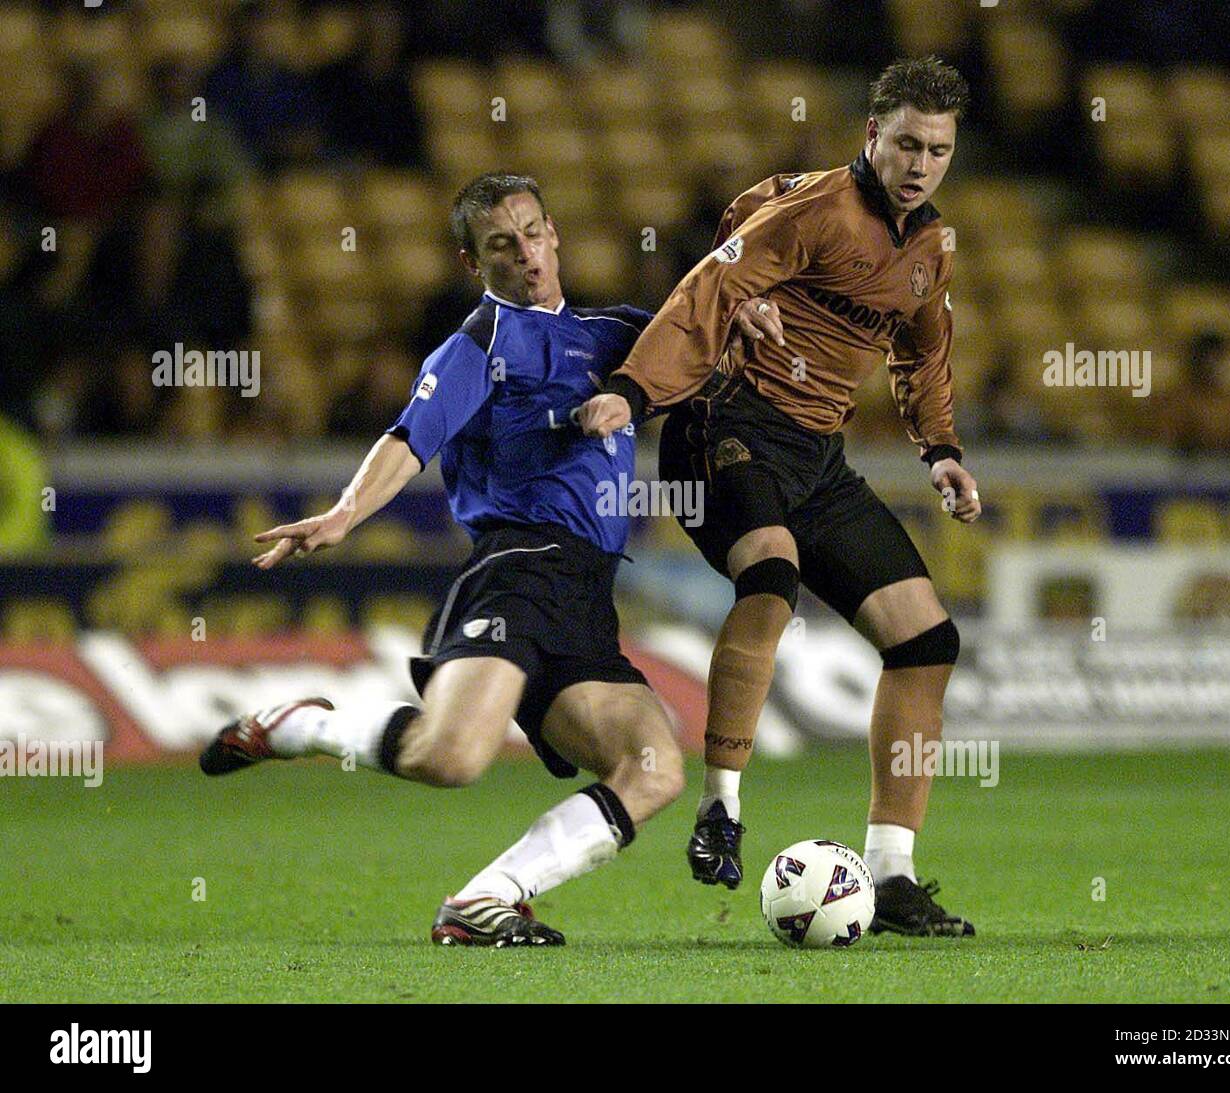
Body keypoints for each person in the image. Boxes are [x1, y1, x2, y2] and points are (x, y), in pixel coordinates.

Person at [200, 172, 782, 947]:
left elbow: (698, 323)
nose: (528, 255)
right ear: (475, 263)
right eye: (502, 244)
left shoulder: (616, 333)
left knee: (653, 766)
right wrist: (346, 510)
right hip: (515, 569)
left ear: (555, 234)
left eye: (535, 232)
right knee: (449, 759)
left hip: (586, 597)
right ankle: (301, 726)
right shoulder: (480, 342)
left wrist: (748, 311)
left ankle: (485, 899)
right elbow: (411, 437)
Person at [578, 57, 981, 936]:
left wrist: (940, 447)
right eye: (906, 142)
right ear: (872, 135)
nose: (920, 163)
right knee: (771, 576)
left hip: (815, 454)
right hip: (724, 423)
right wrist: (636, 391)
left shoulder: (930, 249)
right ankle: (721, 803)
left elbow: (924, 352)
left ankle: (893, 873)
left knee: (927, 640)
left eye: (938, 150)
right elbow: (709, 284)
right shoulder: (817, 211)